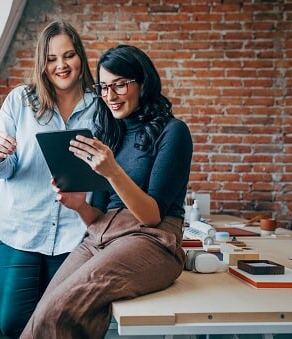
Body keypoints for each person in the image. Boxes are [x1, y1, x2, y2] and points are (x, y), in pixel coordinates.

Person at [20, 44, 193, 339]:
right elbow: (97, 218)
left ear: (142, 83)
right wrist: (79, 206)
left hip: (152, 240)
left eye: (120, 85)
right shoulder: (109, 134)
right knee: (44, 308)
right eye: (103, 87)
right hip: (101, 236)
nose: (110, 96)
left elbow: (152, 217)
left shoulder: (173, 132)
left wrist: (112, 171)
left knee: (58, 312)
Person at [0, 21, 97, 337]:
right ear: (41, 63)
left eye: (69, 55)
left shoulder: (98, 108)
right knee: (13, 323)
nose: (61, 66)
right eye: (51, 59)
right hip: (20, 226)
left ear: (81, 58)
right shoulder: (21, 100)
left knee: (61, 325)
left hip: (73, 235)